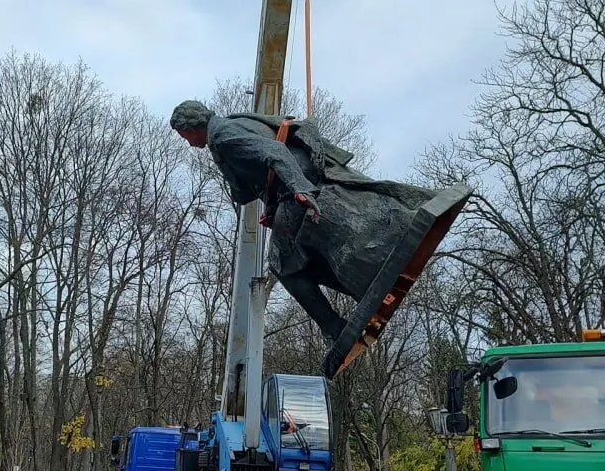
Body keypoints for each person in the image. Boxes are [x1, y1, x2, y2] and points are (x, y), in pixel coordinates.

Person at [170, 99, 466, 347]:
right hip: (291, 187)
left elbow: (274, 152)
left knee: (282, 264)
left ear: (192, 127)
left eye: (185, 136)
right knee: (297, 255)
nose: (189, 143)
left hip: (296, 186)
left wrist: (300, 189)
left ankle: (335, 327)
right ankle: (364, 285)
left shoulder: (222, 136)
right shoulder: (234, 121)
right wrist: (271, 204)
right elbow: (250, 184)